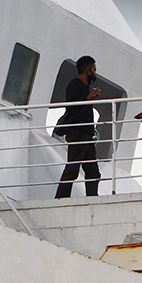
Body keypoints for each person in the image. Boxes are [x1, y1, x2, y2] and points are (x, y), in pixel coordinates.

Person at [54, 55, 101, 199]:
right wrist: (88, 98)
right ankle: (61, 198)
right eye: (93, 69)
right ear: (87, 70)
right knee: (73, 168)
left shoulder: (85, 87)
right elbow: (71, 108)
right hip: (78, 132)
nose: (95, 72)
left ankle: (92, 197)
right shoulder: (75, 85)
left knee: (92, 171)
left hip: (86, 133)